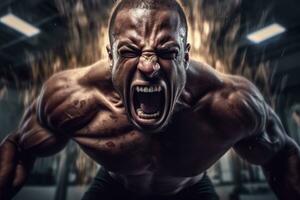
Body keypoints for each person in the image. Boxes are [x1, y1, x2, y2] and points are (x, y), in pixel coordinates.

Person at [1, 0, 300, 199]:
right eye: (130, 51)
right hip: (113, 187)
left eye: (167, 51)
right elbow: (19, 147)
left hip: (190, 190)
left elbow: (282, 154)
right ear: (111, 57)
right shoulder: (72, 97)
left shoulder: (231, 102)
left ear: (185, 55)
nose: (148, 67)